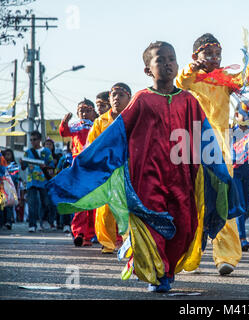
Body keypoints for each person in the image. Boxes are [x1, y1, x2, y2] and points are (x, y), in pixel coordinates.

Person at [47, 41, 235, 293]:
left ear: (177, 64)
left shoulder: (189, 101)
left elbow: (206, 138)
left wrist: (220, 171)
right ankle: (158, 275)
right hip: (147, 179)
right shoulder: (141, 100)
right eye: (160, 59)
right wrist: (82, 165)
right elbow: (114, 137)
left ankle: (165, 269)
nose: (167, 63)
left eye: (171, 58)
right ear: (148, 70)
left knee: (185, 227)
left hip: (182, 178)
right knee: (152, 225)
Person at [176, 32, 249, 275]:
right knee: (195, 200)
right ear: (195, 56)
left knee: (222, 198)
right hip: (193, 144)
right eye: (209, 53)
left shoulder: (225, 79)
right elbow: (180, 82)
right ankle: (191, 255)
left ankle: (226, 256)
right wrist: (190, 68)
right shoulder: (190, 79)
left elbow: (243, 80)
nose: (215, 58)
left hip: (220, 146)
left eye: (218, 54)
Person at [87, 82, 132, 254]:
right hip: (106, 171)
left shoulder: (133, 118)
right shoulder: (100, 122)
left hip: (128, 170)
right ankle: (107, 243)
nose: (116, 99)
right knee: (105, 209)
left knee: (127, 208)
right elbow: (91, 146)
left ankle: (129, 242)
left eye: (121, 95)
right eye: (113, 95)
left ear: (129, 98)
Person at [59, 99, 97, 246]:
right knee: (79, 202)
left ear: (93, 112)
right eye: (81, 110)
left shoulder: (97, 125)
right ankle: (79, 233)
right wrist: (64, 121)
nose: (84, 113)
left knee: (94, 202)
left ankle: (92, 234)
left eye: (87, 110)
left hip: (93, 168)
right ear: (77, 112)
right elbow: (63, 132)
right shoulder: (75, 126)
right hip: (79, 168)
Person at [232, 102, 249, 252]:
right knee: (239, 204)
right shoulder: (229, 130)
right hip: (234, 171)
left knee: (245, 206)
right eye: (244, 114)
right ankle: (242, 238)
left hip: (248, 170)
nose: (247, 117)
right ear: (236, 115)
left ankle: (235, 233)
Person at [20, 131, 54, 232]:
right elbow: (23, 167)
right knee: (32, 204)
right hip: (31, 182)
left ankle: (43, 222)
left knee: (45, 203)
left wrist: (46, 166)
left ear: (39, 140)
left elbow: (52, 165)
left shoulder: (47, 151)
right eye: (31, 140)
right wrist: (22, 163)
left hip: (44, 181)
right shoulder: (28, 152)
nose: (32, 142)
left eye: (34, 139)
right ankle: (32, 225)